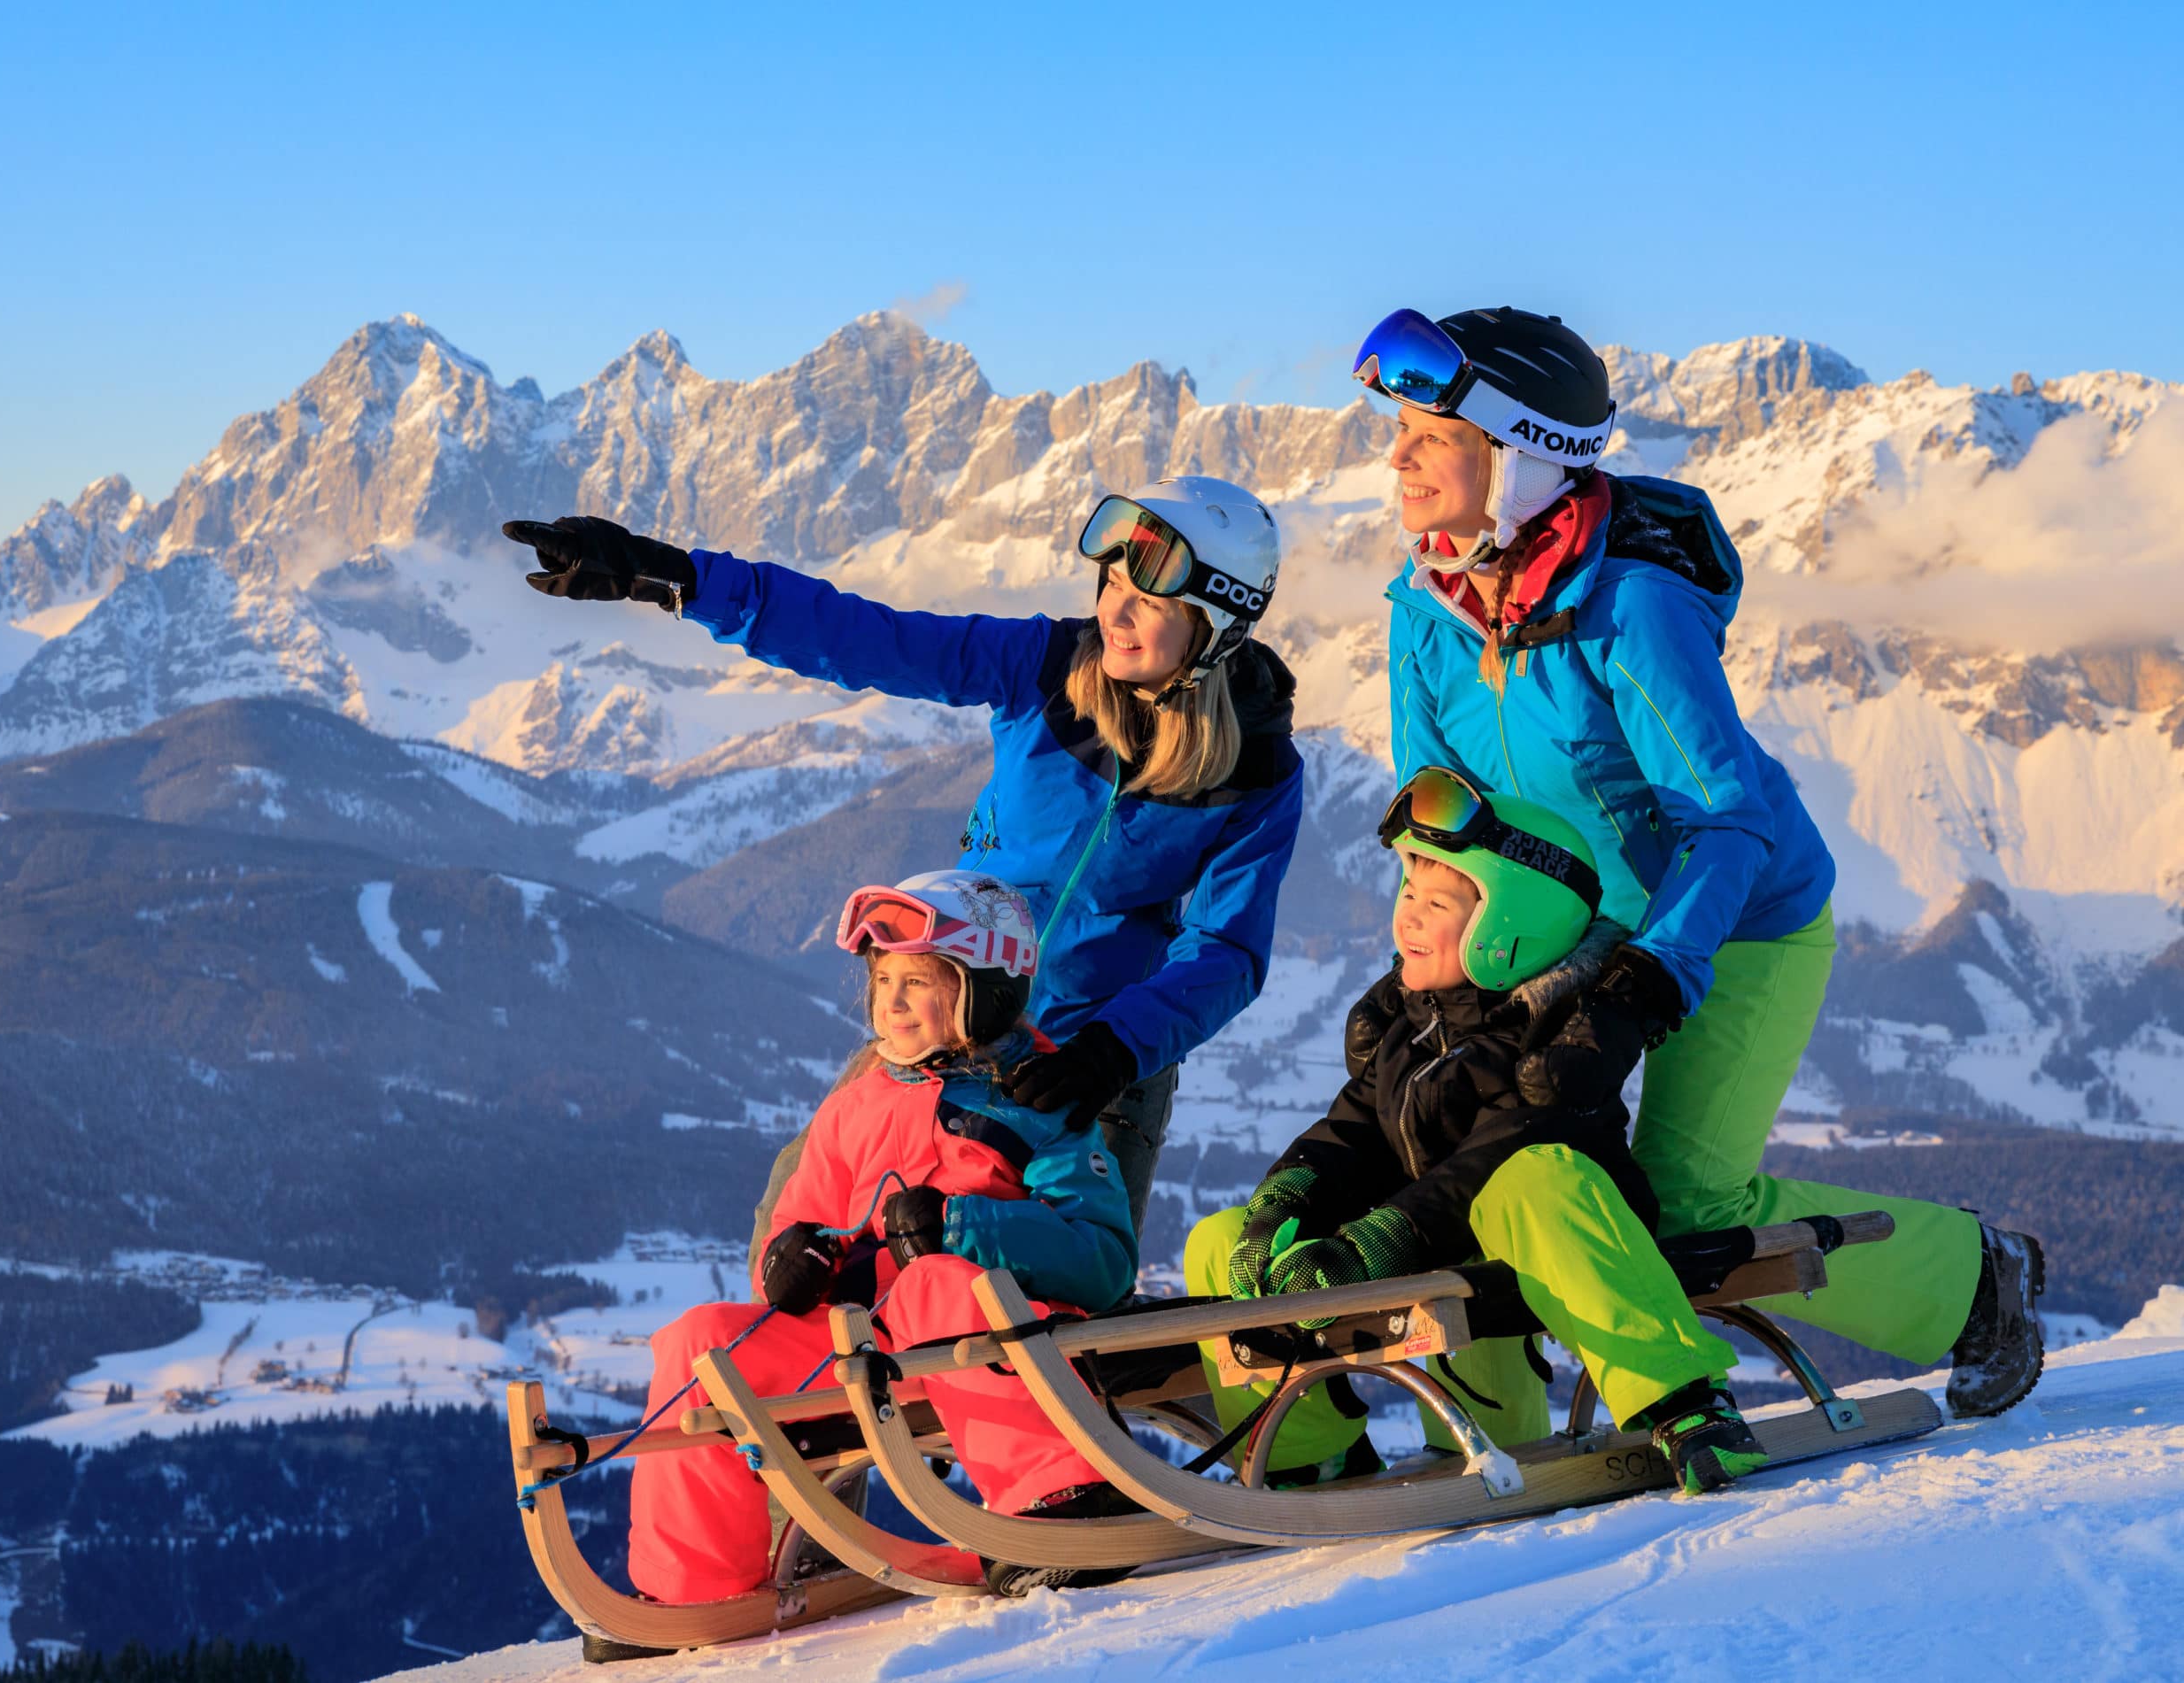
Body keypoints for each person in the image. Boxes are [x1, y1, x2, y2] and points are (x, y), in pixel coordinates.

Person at [1353, 305, 2043, 1415]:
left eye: (1428, 435)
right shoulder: (1423, 609)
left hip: (1734, 916)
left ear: (1515, 455)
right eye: (1400, 430)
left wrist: (1646, 976)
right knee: (1463, 1148)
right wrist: (1424, 962)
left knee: (1685, 1197)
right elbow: (1439, 820)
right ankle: (1495, 1428)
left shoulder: (1632, 606)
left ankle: (1973, 1279)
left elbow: (1725, 819)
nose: (1396, 455)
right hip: (1558, 929)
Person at [505, 479, 1303, 1251]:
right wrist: (671, 574)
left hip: (1094, 1070)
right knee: (799, 1239)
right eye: (1111, 581)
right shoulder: (1045, 666)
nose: (1115, 611)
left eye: (1151, 600)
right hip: (943, 1023)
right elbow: (871, 638)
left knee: (1063, 1292)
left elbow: (1227, 949)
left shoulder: (1259, 770)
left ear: (1217, 625)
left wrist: (1116, 1047)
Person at [1189, 771, 1764, 1494]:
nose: (1408, 917)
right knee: (1222, 1242)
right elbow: (1349, 1131)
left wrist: (1376, 1242)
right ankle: (1310, 1452)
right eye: (1407, 893)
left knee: (1532, 1179)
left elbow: (1485, 1167)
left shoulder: (1555, 1050)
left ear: (1509, 925)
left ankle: (1685, 1402)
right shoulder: (1408, 1028)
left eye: (1437, 903)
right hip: (1440, 1248)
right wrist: (1284, 1202)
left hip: (1545, 1258)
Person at [625, 870, 1141, 1612]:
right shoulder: (856, 1106)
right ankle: (692, 1582)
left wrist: (962, 1228)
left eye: (918, 981)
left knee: (934, 1281)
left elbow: (1102, 1255)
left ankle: (1059, 1499)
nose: (890, 1001)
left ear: (981, 989)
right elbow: (802, 1217)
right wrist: (791, 1261)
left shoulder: (1036, 1099)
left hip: (996, 1340)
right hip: (866, 1350)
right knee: (701, 1340)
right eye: (884, 978)